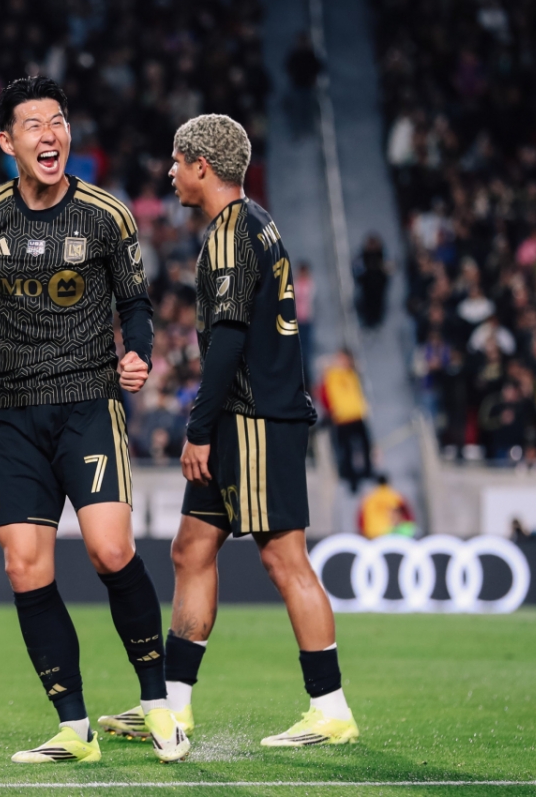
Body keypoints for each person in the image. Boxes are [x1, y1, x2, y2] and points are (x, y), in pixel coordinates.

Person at [0, 77, 186, 765]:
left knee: (110, 551)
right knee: (25, 569)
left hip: (88, 403)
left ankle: (158, 704)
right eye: (33, 124)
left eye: (58, 121)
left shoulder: (107, 215)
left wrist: (138, 353)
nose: (49, 135)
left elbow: (135, 304)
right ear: (7, 141)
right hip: (11, 413)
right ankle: (73, 728)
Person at [101, 114, 358, 748]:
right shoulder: (257, 222)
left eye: (176, 161)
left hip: (255, 420)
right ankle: (173, 706)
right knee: (191, 549)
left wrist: (199, 427)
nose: (170, 172)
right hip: (247, 416)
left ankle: (330, 709)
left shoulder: (230, 236)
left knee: (284, 559)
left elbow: (228, 342)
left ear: (202, 167)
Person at [321, 350, 375, 493]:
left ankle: (368, 472)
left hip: (357, 415)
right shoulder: (331, 375)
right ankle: (352, 479)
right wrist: (330, 411)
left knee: (365, 446)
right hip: (342, 418)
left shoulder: (353, 373)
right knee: (347, 451)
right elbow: (324, 394)